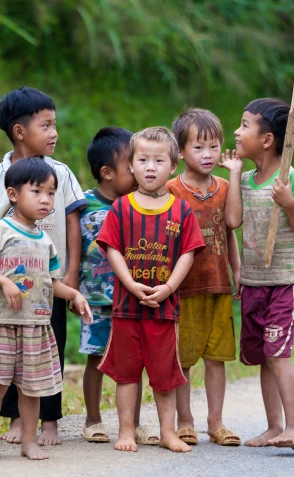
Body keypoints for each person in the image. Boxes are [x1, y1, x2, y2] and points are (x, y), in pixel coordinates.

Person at [0, 87, 86, 446]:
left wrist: (70, 275)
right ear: (20, 131)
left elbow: (73, 222)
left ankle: (50, 421)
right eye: (46, 125)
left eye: (55, 125)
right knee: (9, 355)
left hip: (50, 281)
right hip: (12, 287)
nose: (54, 133)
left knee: (48, 351)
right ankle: (15, 420)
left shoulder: (62, 173)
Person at [96, 127, 205, 453]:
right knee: (127, 375)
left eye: (159, 161)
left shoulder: (181, 210)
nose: (150, 167)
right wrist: (129, 283)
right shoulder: (122, 207)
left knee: (164, 375)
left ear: (172, 166)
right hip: (126, 308)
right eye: (142, 159)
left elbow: (188, 251)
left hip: (164, 309)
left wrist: (170, 286)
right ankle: (126, 431)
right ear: (131, 165)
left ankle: (167, 432)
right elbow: (111, 248)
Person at [222, 98, 294, 452]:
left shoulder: (291, 180)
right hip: (255, 282)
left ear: (268, 139)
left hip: (285, 281)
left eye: (245, 125)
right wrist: (232, 173)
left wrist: (289, 203)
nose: (237, 131)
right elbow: (232, 221)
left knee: (279, 354)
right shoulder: (244, 180)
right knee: (263, 355)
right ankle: (275, 426)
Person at [167, 108, 242, 447]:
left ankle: (216, 422)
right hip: (182, 287)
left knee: (216, 357)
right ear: (180, 151)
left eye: (214, 146)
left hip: (218, 282)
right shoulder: (169, 189)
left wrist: (237, 269)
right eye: (198, 147)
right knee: (182, 357)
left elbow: (231, 227)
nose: (208, 154)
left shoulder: (225, 186)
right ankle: (185, 420)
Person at [79, 127, 158, 445]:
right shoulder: (82, 205)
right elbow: (73, 247)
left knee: (133, 360)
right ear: (107, 172)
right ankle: (92, 418)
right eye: (132, 164)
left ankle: (134, 421)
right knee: (95, 357)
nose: (139, 171)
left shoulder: (140, 203)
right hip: (95, 298)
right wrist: (72, 288)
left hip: (132, 297)